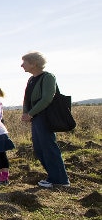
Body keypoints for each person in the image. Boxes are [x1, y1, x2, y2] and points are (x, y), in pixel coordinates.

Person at [21, 51, 71, 188]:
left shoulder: (48, 77)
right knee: (39, 148)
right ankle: (53, 176)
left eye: (24, 62)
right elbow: (27, 98)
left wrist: (30, 113)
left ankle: (60, 180)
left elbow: (47, 98)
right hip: (35, 117)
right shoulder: (31, 79)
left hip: (45, 116)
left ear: (34, 63)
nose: (21, 65)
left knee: (49, 147)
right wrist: (26, 112)